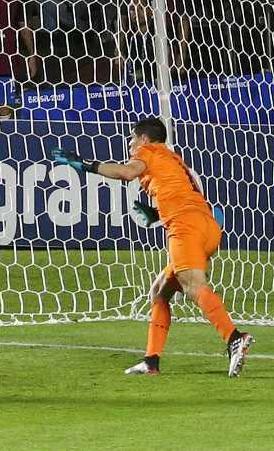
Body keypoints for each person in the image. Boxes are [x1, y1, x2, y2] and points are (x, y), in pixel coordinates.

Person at [52, 118, 254, 377]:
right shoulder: (174, 159)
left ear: (144, 139)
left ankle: (234, 337)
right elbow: (189, 194)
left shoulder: (147, 151)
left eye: (132, 138)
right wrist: (156, 214)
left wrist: (85, 164)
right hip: (208, 227)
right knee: (159, 292)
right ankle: (151, 362)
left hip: (185, 227)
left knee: (193, 286)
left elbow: (127, 172)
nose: (130, 144)